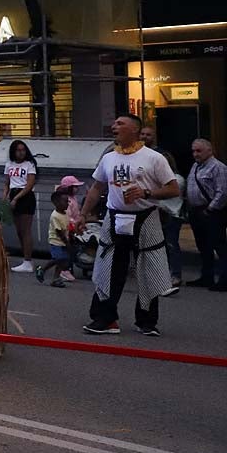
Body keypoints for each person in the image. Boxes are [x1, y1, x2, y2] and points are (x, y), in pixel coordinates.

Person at [78, 114, 180, 336]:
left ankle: (146, 321)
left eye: (120, 123)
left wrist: (146, 192)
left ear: (135, 129)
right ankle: (105, 319)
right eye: (114, 123)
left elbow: (173, 189)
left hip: (146, 217)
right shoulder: (108, 158)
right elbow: (96, 188)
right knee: (108, 269)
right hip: (115, 217)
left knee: (148, 269)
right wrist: (83, 214)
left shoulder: (154, 158)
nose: (114, 126)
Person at [142, 125, 185, 293]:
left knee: (170, 245)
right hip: (155, 214)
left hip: (170, 215)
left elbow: (164, 194)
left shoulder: (176, 180)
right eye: (142, 134)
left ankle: (175, 274)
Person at [184, 138, 227, 291]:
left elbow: (222, 192)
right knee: (203, 246)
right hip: (196, 211)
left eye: (199, 151)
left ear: (209, 150)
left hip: (212, 212)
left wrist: (210, 209)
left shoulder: (218, 167)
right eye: (193, 151)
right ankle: (206, 276)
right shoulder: (196, 166)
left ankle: (224, 279)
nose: (195, 154)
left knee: (219, 245)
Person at [4, 140, 39, 273]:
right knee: (19, 230)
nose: (21, 153)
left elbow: (29, 184)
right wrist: (6, 197)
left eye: (23, 150)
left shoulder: (29, 165)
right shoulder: (9, 164)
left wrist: (17, 198)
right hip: (13, 193)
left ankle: (28, 260)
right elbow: (7, 183)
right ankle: (25, 258)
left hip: (25, 196)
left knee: (26, 230)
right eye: (18, 150)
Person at [35, 189, 72, 287]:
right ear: (56, 202)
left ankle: (56, 278)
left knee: (62, 261)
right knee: (58, 258)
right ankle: (42, 269)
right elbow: (58, 231)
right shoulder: (55, 216)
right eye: (65, 201)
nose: (67, 204)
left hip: (64, 241)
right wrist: (67, 242)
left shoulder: (65, 214)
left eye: (68, 201)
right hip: (56, 241)